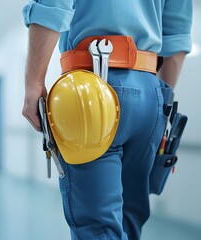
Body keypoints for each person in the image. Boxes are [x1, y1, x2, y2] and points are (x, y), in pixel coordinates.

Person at [21, 1, 192, 239]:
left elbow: (53, 4)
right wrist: (160, 107)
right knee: (129, 221)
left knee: (98, 228)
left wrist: (33, 82)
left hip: (89, 94)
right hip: (150, 95)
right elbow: (176, 33)